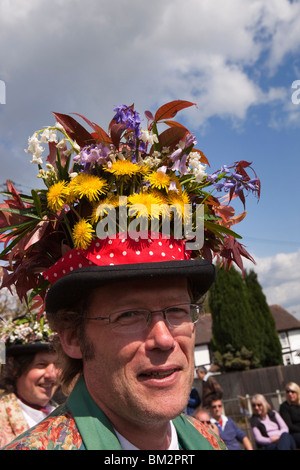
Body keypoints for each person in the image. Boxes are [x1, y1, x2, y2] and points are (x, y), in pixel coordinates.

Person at [0, 101, 259, 450]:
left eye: (178, 310)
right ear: (72, 338)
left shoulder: (209, 441)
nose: (165, 339)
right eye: (130, 314)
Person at [0, 315, 60, 447]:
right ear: (15, 369)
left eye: (57, 365)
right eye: (41, 365)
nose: (52, 375)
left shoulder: (66, 415)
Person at [279, 382, 300, 448]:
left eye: (292, 392)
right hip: (294, 434)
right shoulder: (284, 407)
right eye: (288, 392)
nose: (290, 394)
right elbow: (289, 425)